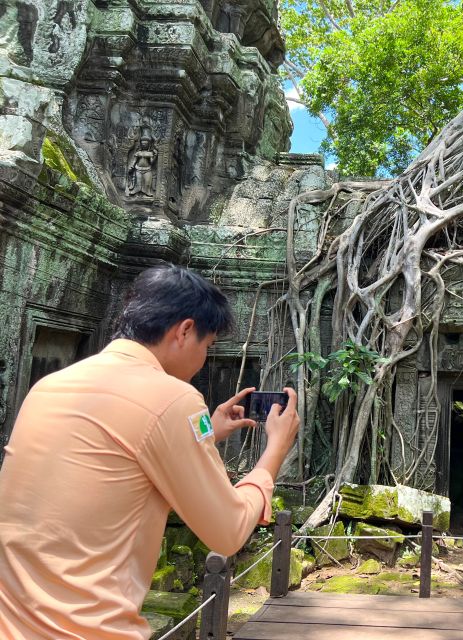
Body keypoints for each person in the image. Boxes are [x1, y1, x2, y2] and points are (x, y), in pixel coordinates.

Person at [0, 265, 300, 640]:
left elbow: (120, 459)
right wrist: (275, 450)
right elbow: (229, 531)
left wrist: (208, 429)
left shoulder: (51, 386)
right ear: (185, 330)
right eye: (207, 347)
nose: (205, 358)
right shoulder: (172, 399)